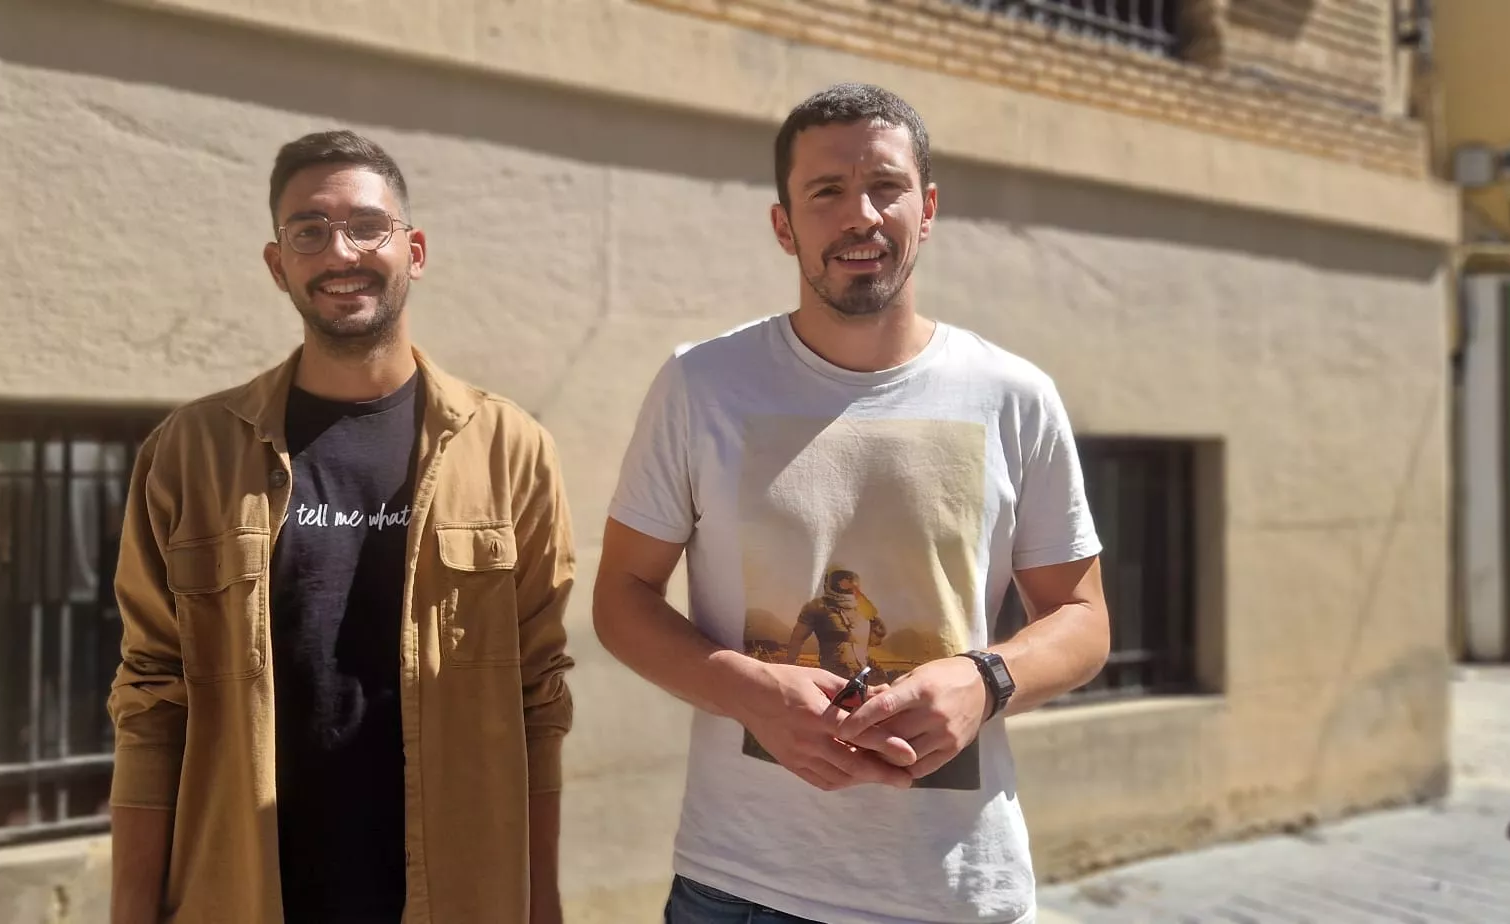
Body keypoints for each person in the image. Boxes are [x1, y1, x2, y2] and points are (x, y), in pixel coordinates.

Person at [592, 83, 1113, 924]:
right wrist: (751, 692)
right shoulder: (701, 385)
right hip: (741, 885)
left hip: (955, 887)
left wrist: (987, 679)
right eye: (826, 192)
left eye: (886, 186)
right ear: (784, 224)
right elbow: (621, 598)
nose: (860, 215)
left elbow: (1083, 620)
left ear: (928, 207)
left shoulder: (1014, 395)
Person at [106, 129, 577, 924]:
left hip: (456, 894)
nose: (340, 252)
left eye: (367, 226)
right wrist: (130, 913)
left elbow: (538, 698)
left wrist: (542, 905)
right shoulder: (190, 452)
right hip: (243, 893)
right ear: (277, 262)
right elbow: (151, 701)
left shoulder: (510, 450)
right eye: (309, 232)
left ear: (414, 250)